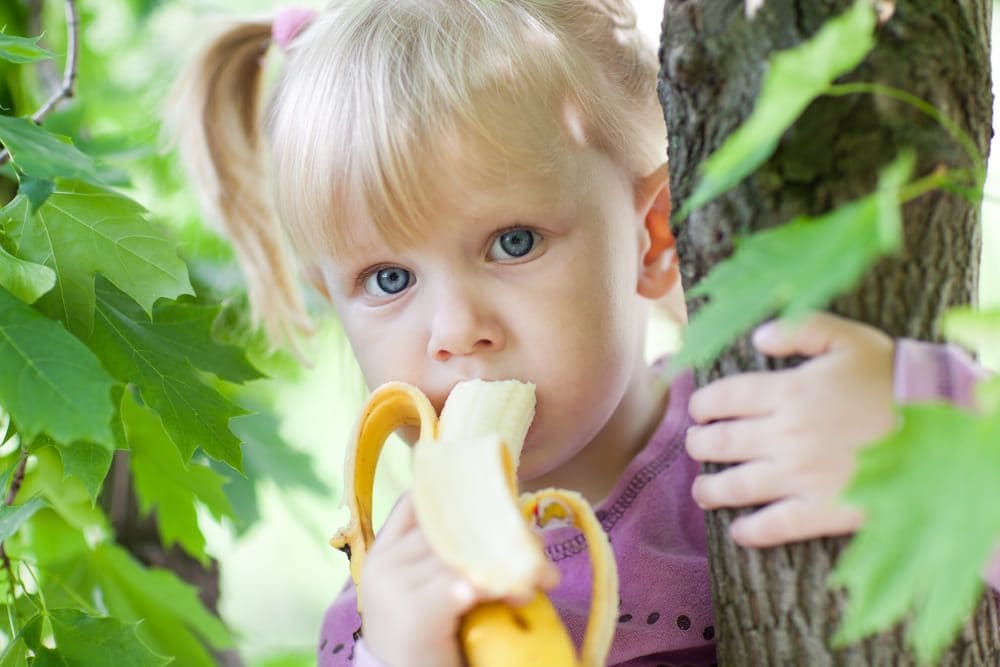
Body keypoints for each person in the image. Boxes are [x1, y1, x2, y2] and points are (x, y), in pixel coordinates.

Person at [169, 1, 996, 665]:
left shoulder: (761, 416)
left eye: (514, 242)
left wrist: (927, 437)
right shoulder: (388, 606)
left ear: (655, 236)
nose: (459, 331)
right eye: (389, 280)